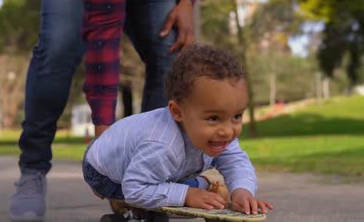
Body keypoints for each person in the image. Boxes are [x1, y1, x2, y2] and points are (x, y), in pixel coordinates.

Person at [9, 0, 229, 220]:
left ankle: (153, 181)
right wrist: (103, 145)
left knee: (170, 50)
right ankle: (32, 172)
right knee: (60, 46)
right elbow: (103, 32)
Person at [83, 44, 274, 215]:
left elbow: (236, 162)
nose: (227, 131)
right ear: (177, 112)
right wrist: (188, 195)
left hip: (141, 164)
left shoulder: (219, 134)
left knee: (176, 189)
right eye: (214, 118)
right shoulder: (162, 146)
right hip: (103, 172)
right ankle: (127, 209)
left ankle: (199, 186)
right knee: (167, 204)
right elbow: (135, 189)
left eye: (237, 116)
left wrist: (242, 191)